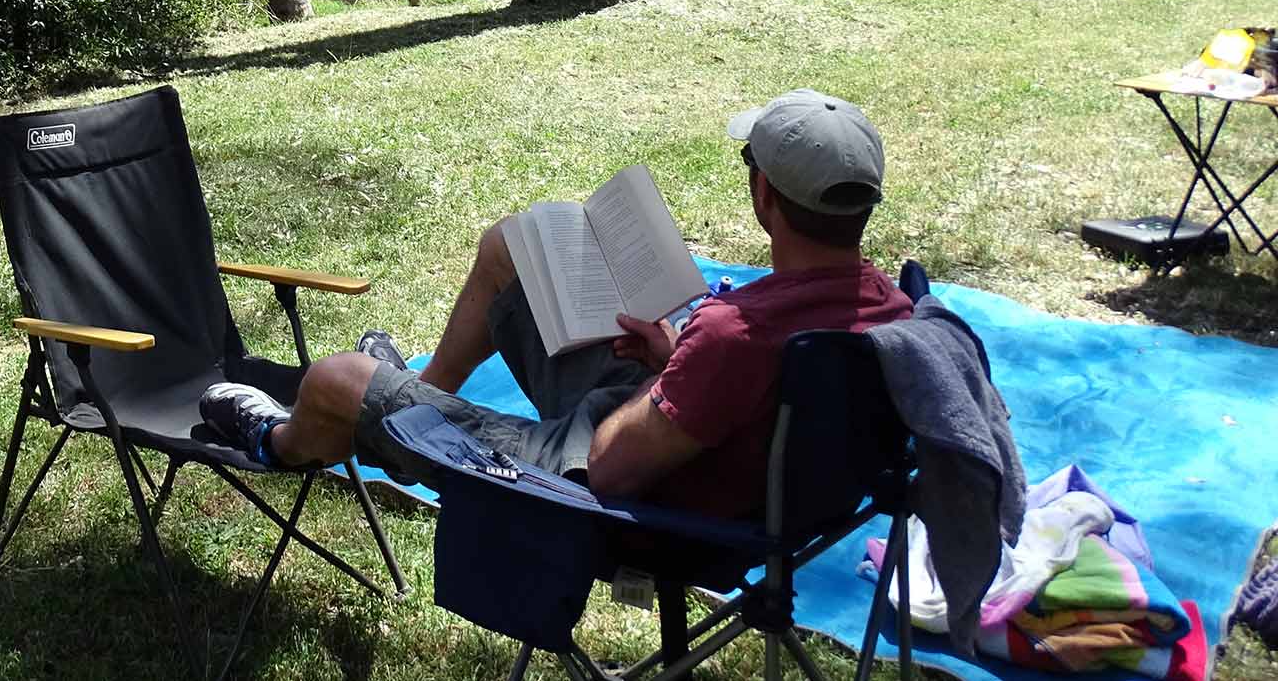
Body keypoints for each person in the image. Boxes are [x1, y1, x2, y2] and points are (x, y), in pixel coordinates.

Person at [200, 89, 912, 516]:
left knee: (332, 380)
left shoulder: (734, 336)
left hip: (612, 494)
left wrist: (678, 370)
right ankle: (417, 394)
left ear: (763, 196)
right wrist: (676, 361)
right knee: (510, 249)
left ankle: (276, 439)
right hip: (723, 456)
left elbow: (609, 466)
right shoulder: (892, 312)